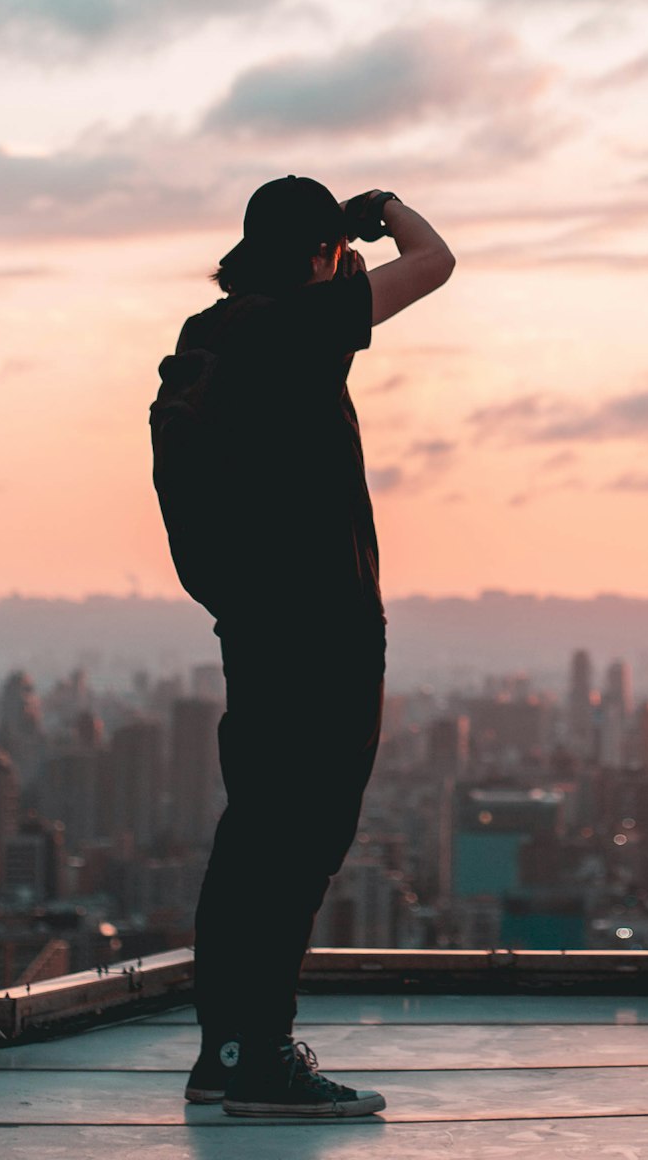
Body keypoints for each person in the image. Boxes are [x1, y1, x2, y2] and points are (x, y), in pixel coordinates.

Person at [150, 176, 454, 1119]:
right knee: (302, 844)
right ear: (321, 254)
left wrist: (334, 260)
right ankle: (267, 1061)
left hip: (254, 627)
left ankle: (225, 1053)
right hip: (325, 631)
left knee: (252, 837)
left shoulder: (213, 335)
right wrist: (390, 208)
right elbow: (436, 263)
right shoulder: (304, 327)